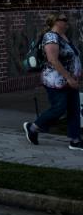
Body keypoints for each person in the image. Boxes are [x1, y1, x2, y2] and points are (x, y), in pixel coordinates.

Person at [24, 13, 82, 150]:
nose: (67, 22)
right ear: (56, 22)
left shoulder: (64, 37)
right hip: (55, 81)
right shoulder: (50, 37)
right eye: (64, 20)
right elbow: (53, 60)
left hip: (70, 80)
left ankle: (75, 140)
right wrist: (68, 77)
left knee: (74, 110)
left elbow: (72, 57)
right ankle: (33, 127)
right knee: (58, 109)